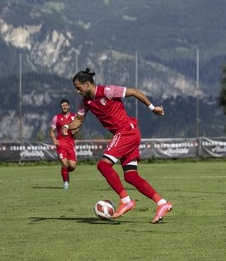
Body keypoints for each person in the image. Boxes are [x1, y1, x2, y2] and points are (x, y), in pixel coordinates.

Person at [63, 68, 172, 223]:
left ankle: (125, 200)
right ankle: (162, 203)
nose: (77, 91)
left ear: (87, 84)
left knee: (103, 166)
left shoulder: (107, 91)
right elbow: (78, 121)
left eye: (78, 87)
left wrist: (153, 108)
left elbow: (134, 92)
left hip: (126, 132)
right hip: (127, 134)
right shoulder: (85, 102)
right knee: (131, 176)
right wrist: (67, 127)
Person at [50, 98, 78, 189]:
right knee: (64, 163)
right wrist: (54, 139)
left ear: (69, 106)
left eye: (66, 105)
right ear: (61, 107)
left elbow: (78, 128)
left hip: (70, 143)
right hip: (61, 144)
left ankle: (64, 171)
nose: (64, 107)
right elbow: (51, 131)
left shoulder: (74, 116)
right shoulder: (56, 117)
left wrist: (75, 131)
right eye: (63, 105)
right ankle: (66, 182)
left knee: (72, 166)